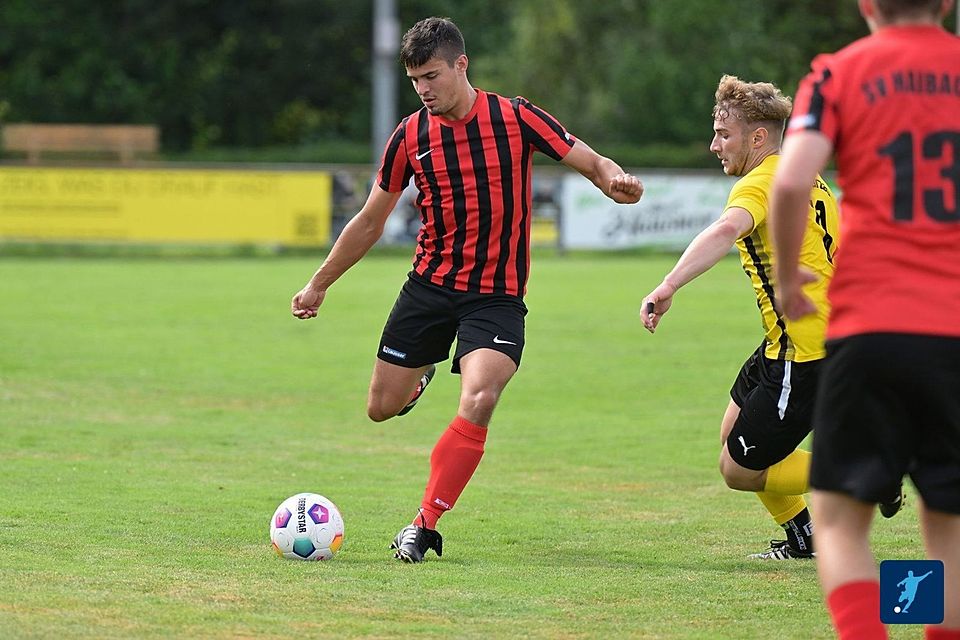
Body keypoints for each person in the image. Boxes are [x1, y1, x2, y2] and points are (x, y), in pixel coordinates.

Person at [291, 16, 642, 563]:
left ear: (461, 64)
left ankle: (425, 521)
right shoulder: (409, 135)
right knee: (381, 408)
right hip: (429, 288)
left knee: (480, 396)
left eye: (432, 75)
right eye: (415, 81)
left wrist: (616, 182)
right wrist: (319, 284)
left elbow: (591, 161)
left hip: (496, 296)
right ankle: (426, 367)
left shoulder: (517, 116)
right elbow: (369, 220)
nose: (424, 89)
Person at [769, 0, 960, 637]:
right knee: (945, 526)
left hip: (871, 325)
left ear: (867, 4)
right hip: (953, 329)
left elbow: (793, 181)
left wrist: (790, 277)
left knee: (839, 519)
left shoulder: (837, 74)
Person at [641, 75, 841, 560]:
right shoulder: (809, 177)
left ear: (757, 138)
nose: (713, 145)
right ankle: (804, 537)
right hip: (795, 339)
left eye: (722, 134)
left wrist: (669, 283)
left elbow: (727, 228)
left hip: (805, 349)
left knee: (739, 469)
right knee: (734, 433)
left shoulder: (760, 182)